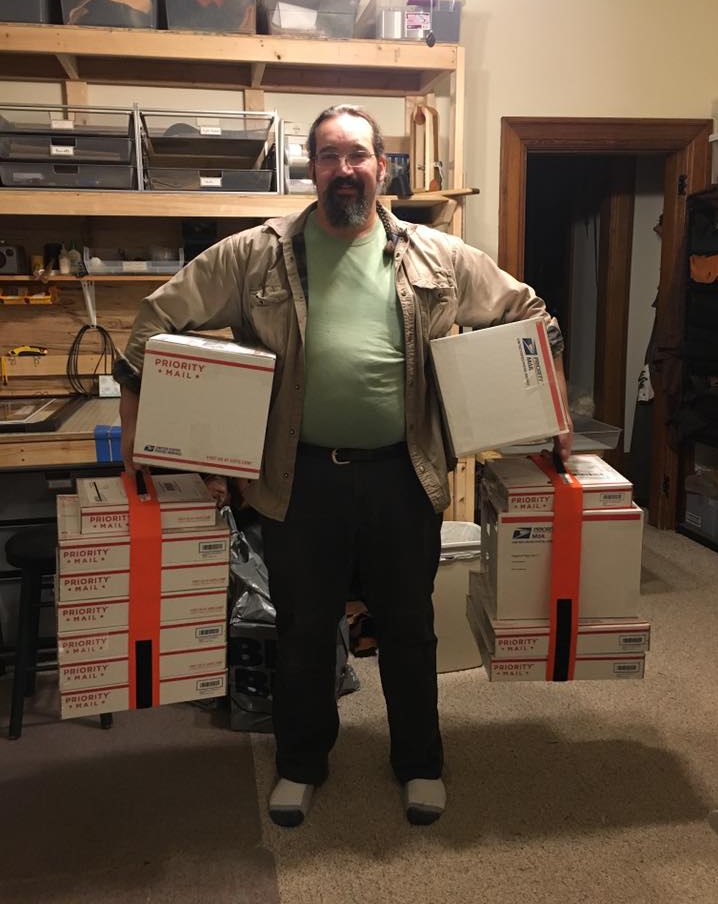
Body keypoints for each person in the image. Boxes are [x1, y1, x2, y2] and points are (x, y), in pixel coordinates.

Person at [115, 104, 572, 828]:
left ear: (382, 167)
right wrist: (149, 436)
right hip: (298, 480)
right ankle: (301, 764)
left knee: (409, 628)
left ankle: (419, 762)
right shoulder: (256, 255)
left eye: (357, 155)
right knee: (302, 630)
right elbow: (151, 327)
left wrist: (554, 416)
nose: (344, 169)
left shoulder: (436, 256)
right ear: (312, 170)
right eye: (328, 156)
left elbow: (533, 318)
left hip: (404, 474)